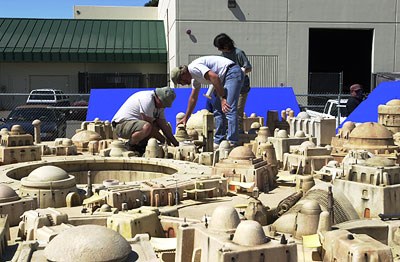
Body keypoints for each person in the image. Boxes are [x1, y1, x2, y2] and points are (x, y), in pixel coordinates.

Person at [170, 55, 244, 147]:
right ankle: (219, 140)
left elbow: (214, 77)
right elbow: (193, 98)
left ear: (183, 74)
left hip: (231, 73)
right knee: (218, 110)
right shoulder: (194, 78)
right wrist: (186, 117)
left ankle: (232, 141)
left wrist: (223, 97)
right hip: (222, 78)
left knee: (228, 108)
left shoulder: (194, 68)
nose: (183, 84)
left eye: (181, 81)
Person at [111, 86, 179, 155]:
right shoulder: (147, 100)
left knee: (156, 125)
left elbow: (163, 126)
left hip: (135, 125)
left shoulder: (160, 106)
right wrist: (165, 142)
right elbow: (151, 129)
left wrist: (176, 144)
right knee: (147, 127)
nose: (164, 107)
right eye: (164, 104)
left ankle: (140, 146)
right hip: (120, 125)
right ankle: (129, 145)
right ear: (158, 98)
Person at [213, 33, 252, 133]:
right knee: (227, 110)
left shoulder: (238, 53)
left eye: (220, 47)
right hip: (228, 87)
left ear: (226, 45)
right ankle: (228, 132)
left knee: (237, 112)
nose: (219, 50)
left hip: (242, 87)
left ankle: (238, 133)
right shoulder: (222, 56)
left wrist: (238, 73)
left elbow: (248, 67)